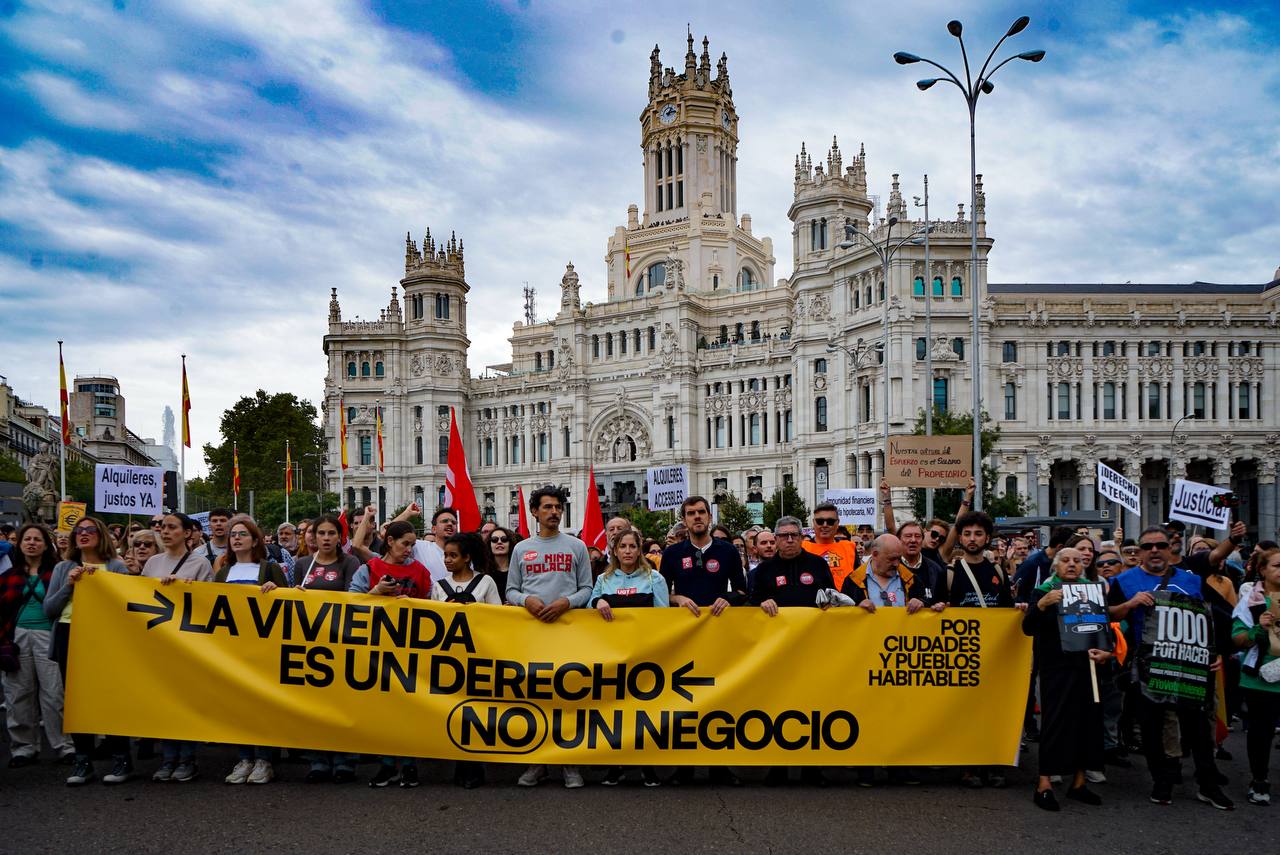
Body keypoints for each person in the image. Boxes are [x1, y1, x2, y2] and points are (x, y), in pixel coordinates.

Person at [1107, 526, 1231, 809]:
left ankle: (1208, 784)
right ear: (1138, 552)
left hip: (1190, 667)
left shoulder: (1192, 581)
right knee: (1151, 728)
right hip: (1149, 667)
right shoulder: (1124, 581)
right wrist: (1130, 603)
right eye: (1148, 547)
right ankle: (1161, 780)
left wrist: (1218, 652)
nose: (1154, 551)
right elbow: (1107, 614)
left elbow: (1217, 617)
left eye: (1160, 546)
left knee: (1198, 729)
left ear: (1169, 549)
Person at [506, 485, 592, 789]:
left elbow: (587, 589)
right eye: (547, 507)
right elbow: (511, 589)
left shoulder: (576, 546)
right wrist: (525, 601)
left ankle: (570, 764)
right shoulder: (520, 549)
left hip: (568, 632)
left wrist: (566, 603)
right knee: (536, 697)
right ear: (534, 512)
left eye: (558, 507)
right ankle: (537, 762)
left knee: (567, 698)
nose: (554, 512)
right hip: (533, 634)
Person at [659, 495, 747, 787]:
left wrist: (729, 598)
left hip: (718, 634)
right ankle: (683, 766)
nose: (696, 517)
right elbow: (661, 595)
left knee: (718, 699)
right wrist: (677, 597)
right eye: (690, 513)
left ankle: (719, 765)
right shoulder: (672, 555)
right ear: (684, 520)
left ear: (710, 517)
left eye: (701, 512)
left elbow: (743, 591)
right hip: (684, 637)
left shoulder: (727, 552)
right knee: (683, 699)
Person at [840, 532, 940, 787]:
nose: (897, 563)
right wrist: (853, 608)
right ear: (874, 555)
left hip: (899, 659)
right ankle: (867, 768)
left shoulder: (910, 579)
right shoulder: (853, 581)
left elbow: (929, 605)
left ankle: (900, 768)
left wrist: (924, 602)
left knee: (900, 713)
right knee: (866, 712)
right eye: (892, 558)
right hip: (864, 658)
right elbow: (838, 616)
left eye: (899, 558)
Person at [43, 516, 130, 785]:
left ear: (101, 534)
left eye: (90, 530)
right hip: (69, 634)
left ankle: (121, 759)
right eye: (78, 531)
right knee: (76, 699)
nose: (83, 534)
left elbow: (125, 608)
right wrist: (69, 586)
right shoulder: (63, 568)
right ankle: (83, 760)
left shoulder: (116, 566)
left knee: (110, 697)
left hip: (105, 638)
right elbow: (50, 609)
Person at [1022, 547, 1111, 811]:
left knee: (1086, 723)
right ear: (1055, 566)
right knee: (1055, 723)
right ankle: (1044, 783)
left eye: (1077, 560)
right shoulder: (1043, 591)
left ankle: (1079, 783)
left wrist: (1106, 650)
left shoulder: (1093, 591)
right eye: (1066, 560)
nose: (1072, 564)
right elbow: (1027, 628)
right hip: (1055, 667)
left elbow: (1103, 628)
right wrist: (1042, 604)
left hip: (1086, 667)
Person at [751, 515, 835, 787]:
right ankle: (777, 767)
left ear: (802, 538)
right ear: (774, 540)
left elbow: (833, 598)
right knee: (778, 708)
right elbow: (750, 605)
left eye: (794, 535)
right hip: (777, 651)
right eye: (784, 536)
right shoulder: (763, 571)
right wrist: (761, 604)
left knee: (812, 707)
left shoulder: (817, 565)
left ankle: (814, 768)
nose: (789, 540)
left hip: (813, 649)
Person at [350, 520, 431, 787]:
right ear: (390, 541)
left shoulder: (420, 571)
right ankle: (386, 764)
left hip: (409, 650)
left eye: (412, 545)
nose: (409, 549)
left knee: (408, 710)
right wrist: (376, 593)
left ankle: (408, 765)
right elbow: (349, 604)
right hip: (377, 648)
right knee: (384, 710)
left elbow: (432, 606)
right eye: (404, 544)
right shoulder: (369, 569)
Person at [591, 529, 668, 788]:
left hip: (644, 655)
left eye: (632, 546)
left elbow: (663, 617)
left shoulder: (654, 578)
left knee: (644, 713)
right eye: (622, 546)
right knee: (615, 712)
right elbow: (590, 607)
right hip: (612, 654)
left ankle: (648, 766)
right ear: (614, 551)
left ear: (639, 550)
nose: (627, 551)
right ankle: (617, 765)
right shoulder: (603, 579)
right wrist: (598, 600)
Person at [213, 517, 287, 785]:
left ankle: (265, 759)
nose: (236, 538)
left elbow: (289, 604)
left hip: (263, 648)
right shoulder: (222, 573)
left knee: (262, 706)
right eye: (233, 534)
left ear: (255, 540)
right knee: (239, 706)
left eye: (242, 534)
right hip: (233, 649)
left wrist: (275, 591)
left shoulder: (269, 569)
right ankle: (244, 758)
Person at [141, 512, 214, 782]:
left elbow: (210, 603)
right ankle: (168, 757)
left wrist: (186, 589)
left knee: (186, 703)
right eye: (162, 527)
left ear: (187, 533)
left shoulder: (200, 564)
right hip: (160, 643)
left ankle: (187, 758)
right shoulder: (151, 563)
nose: (165, 531)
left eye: (172, 527)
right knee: (165, 702)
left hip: (188, 645)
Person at [289, 514, 361, 783]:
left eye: (332, 533)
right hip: (310, 643)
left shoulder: (350, 562)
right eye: (322, 534)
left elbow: (351, 598)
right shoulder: (302, 564)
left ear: (339, 537)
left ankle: (345, 760)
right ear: (313, 537)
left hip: (340, 641)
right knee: (315, 705)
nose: (327, 538)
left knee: (342, 704)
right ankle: (318, 760)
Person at [0, 524, 74, 766]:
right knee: (18, 694)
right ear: (20, 544)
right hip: (17, 637)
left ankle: (64, 745)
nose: (32, 543)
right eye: (27, 539)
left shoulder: (58, 572)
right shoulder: (8, 577)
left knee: (54, 693)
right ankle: (24, 747)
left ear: (46, 544)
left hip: (48, 635)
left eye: (37, 539)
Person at [432, 532, 502, 789]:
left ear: (467, 558)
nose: (447, 560)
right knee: (454, 710)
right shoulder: (439, 586)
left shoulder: (486, 583)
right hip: (451, 658)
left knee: (476, 711)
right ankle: (459, 762)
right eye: (445, 555)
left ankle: (475, 765)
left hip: (479, 656)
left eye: (453, 555)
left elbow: (499, 618)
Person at [1233, 547, 1280, 806]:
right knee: (1261, 732)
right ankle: (1259, 779)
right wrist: (1257, 629)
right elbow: (1238, 639)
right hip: (1261, 678)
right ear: (1262, 570)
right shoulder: (1251, 602)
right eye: (1277, 566)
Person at [801, 503, 860, 591]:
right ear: (813, 523)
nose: (825, 525)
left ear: (837, 523)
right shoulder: (802, 548)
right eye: (820, 521)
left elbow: (859, 581)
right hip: (812, 602)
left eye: (830, 521)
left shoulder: (849, 547)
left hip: (846, 603)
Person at [485, 525, 517, 599]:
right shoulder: (483, 571)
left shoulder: (518, 570)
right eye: (494, 539)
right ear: (489, 544)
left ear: (510, 543)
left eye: (504, 539)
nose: (499, 542)